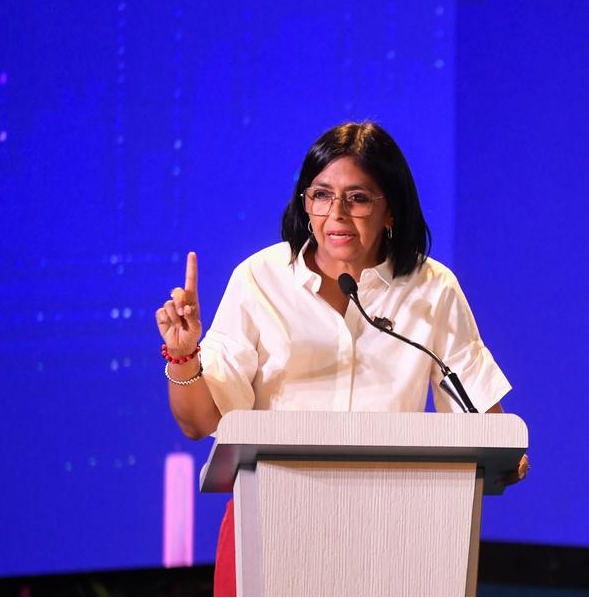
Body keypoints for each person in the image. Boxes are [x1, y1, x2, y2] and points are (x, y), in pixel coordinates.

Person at [154, 121, 529, 596]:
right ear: (304, 203)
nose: (337, 215)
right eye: (322, 195)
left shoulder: (432, 289)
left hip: (400, 540)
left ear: (390, 208)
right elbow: (199, 421)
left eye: (358, 198)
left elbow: (483, 424)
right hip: (271, 526)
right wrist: (185, 357)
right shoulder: (259, 280)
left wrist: (504, 458)